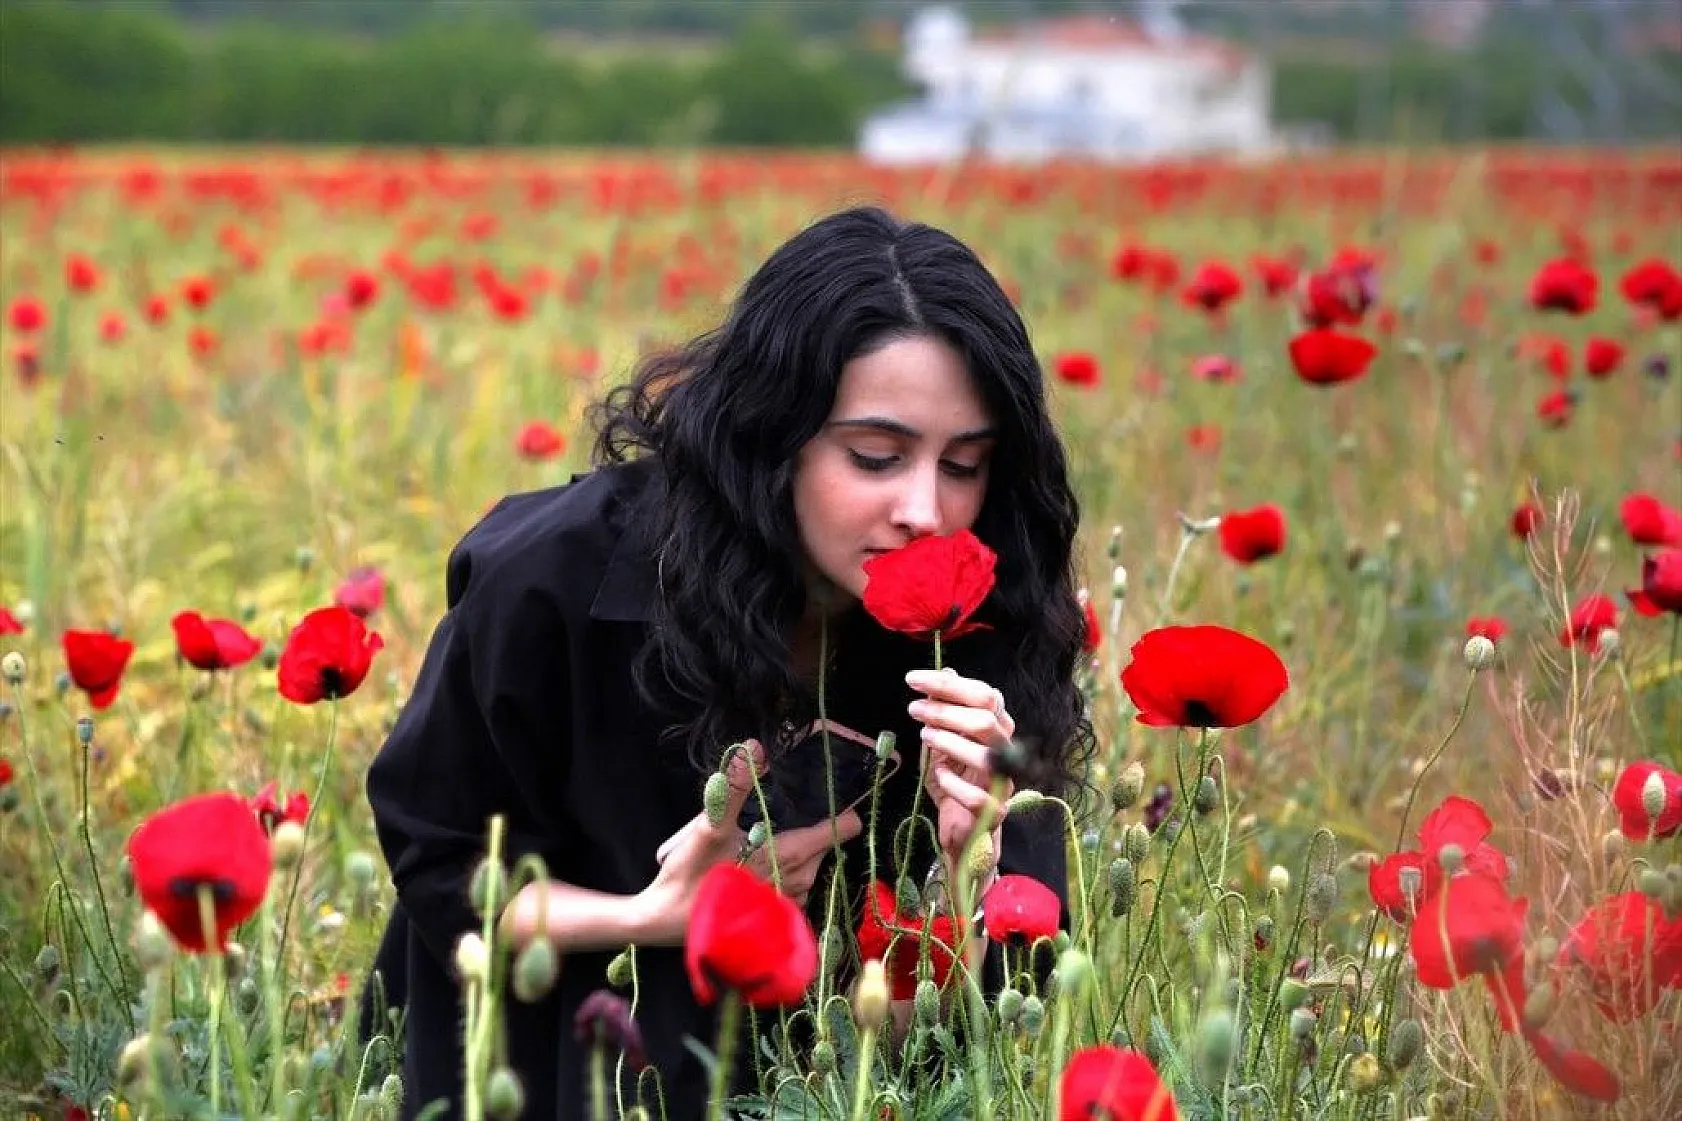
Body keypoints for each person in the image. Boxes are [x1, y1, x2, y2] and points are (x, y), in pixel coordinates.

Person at [362, 205, 1094, 1120]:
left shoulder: (982, 626)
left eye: (964, 465)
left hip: (813, 1088)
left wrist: (974, 863)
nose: (925, 509)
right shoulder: (556, 582)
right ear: (770, 436)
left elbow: (963, 1020)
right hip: (533, 1065)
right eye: (876, 456)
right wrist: (660, 914)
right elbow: (442, 872)